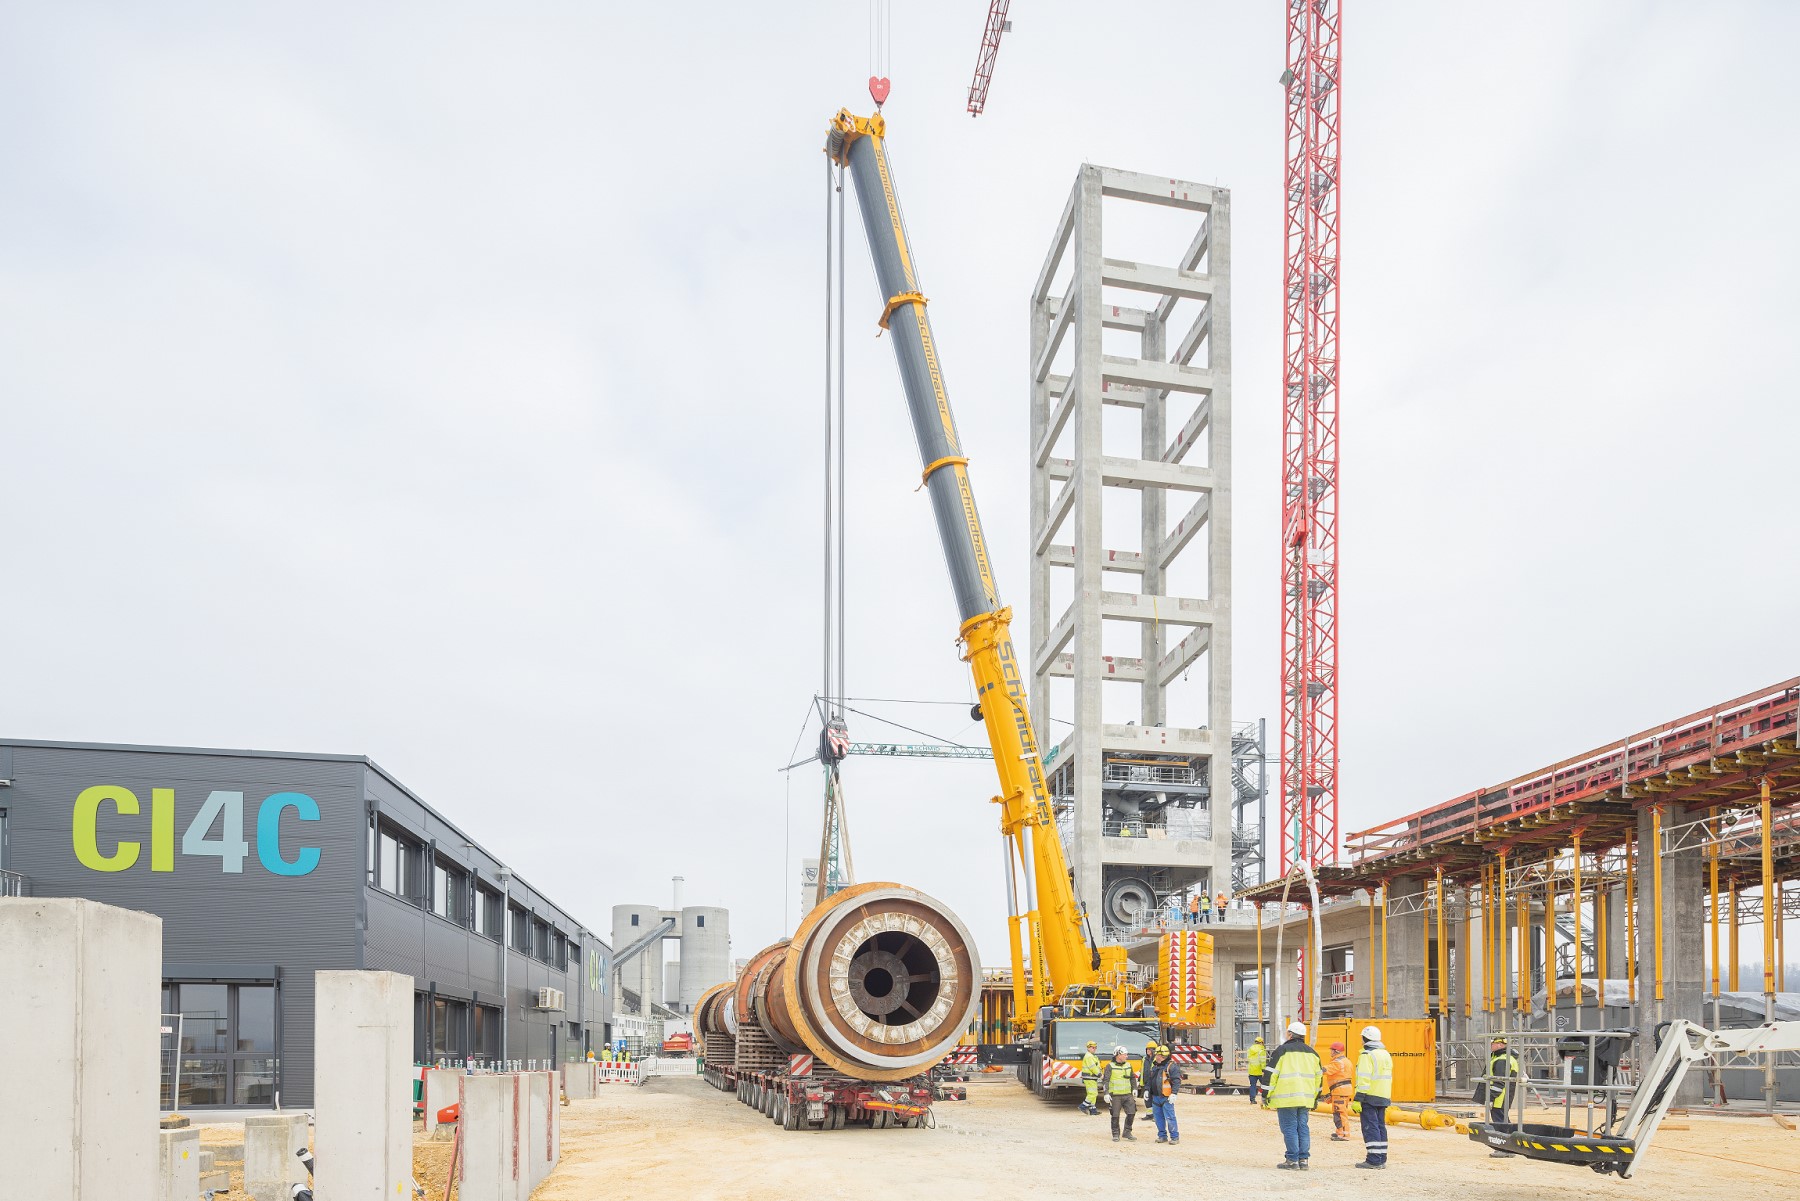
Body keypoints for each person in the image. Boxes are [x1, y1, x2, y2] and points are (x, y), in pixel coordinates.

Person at [1262, 1021, 1322, 1170]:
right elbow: (1318, 1078)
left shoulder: (1282, 1051)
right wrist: (1315, 1098)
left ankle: (1292, 1160)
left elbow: (1271, 1074)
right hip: (1305, 1099)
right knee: (1302, 1127)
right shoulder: (1313, 1053)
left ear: (1289, 1034)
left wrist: (1265, 1094)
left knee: (1289, 1127)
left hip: (1286, 1098)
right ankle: (1303, 1160)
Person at [1352, 1024, 1395, 1169]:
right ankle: (1381, 1158)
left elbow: (1364, 1080)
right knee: (1380, 1127)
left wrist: (1358, 1098)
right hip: (1383, 1096)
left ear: (1365, 1039)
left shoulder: (1366, 1055)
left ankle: (1373, 1160)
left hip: (1369, 1096)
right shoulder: (1385, 1054)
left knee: (1370, 1127)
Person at [1484, 1036, 1521, 1157]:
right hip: (1503, 1096)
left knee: (1500, 1123)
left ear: (1500, 1045)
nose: (1491, 1045)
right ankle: (1510, 1148)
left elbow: (1499, 1082)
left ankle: (1504, 1149)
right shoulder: (1506, 1058)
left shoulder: (1502, 1060)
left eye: (1493, 1043)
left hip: (1499, 1097)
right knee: (1504, 1121)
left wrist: (1491, 1098)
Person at [1144, 1044, 1185, 1144]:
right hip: (1156, 1097)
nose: (1156, 1057)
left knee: (1170, 1118)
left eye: (1158, 1055)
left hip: (1166, 1097)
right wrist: (1147, 1089)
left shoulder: (1171, 1066)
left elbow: (1176, 1081)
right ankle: (1162, 1136)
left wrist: (1174, 1093)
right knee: (1158, 1119)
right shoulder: (1155, 1066)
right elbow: (1150, 1080)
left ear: (1163, 1056)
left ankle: (1175, 1137)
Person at [1099, 1045, 1139, 1142]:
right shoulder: (1110, 1066)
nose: (1126, 1056)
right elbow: (1106, 1081)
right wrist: (1106, 1093)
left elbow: (1132, 1078)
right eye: (1125, 1054)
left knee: (1131, 1113)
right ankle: (1116, 1134)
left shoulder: (1128, 1065)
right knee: (1115, 1115)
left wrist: (1134, 1088)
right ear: (1118, 1055)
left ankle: (1127, 1132)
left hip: (1127, 1094)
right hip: (1115, 1095)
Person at [1323, 1041, 1353, 1141]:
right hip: (1343, 1091)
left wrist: (1315, 1068)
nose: (1330, 1052)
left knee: (1339, 1113)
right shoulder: (1346, 1061)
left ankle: (1343, 1135)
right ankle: (1340, 1132)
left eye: (1331, 1050)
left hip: (1339, 1091)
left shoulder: (1337, 1062)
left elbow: (1327, 1070)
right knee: (1341, 1112)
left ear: (1335, 1051)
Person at [1079, 1039, 1103, 1116]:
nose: (1094, 1049)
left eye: (1095, 1047)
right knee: (1093, 1093)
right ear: (1088, 1048)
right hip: (1090, 1078)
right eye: (1093, 1047)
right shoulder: (1089, 1056)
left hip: (1091, 1078)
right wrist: (1100, 1075)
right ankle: (1083, 1106)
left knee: (1092, 1093)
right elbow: (1093, 1067)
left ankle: (1093, 1110)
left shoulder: (1091, 1056)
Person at [1245, 1034, 1268, 1104]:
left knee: (1253, 1085)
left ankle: (1252, 1100)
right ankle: (1266, 1099)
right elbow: (1263, 1061)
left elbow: (1248, 1059)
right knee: (1265, 1085)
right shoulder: (1262, 1050)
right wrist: (1264, 1069)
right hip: (1260, 1071)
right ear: (1261, 1042)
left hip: (1252, 1071)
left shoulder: (1250, 1049)